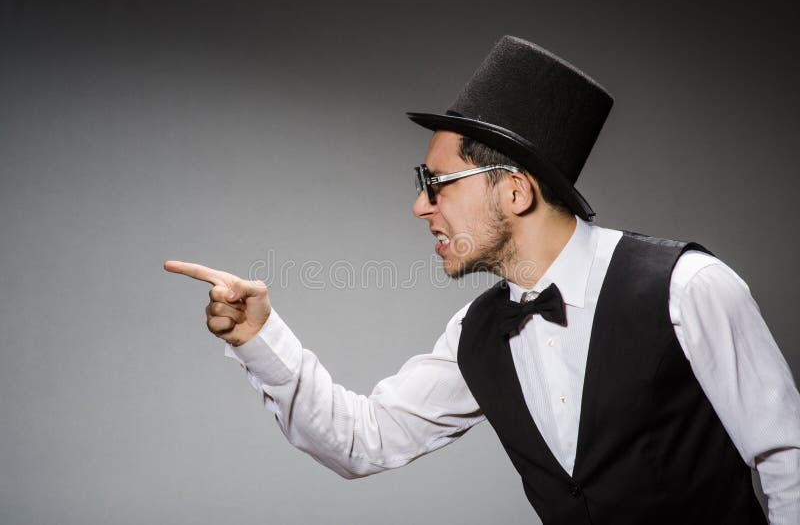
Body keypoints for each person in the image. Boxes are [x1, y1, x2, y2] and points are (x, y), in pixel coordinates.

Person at [164, 36, 800, 524]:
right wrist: (258, 337)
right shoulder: (475, 333)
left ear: (516, 191)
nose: (420, 207)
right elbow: (363, 440)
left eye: (434, 185)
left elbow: (787, 460)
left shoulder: (689, 287)